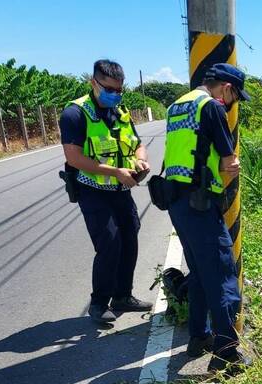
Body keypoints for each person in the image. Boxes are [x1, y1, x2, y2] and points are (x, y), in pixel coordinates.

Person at [162, 63, 249, 371]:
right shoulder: (211, 108)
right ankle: (226, 352)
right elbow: (228, 162)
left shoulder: (177, 105)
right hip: (200, 202)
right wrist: (231, 166)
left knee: (199, 271)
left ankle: (199, 335)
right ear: (225, 88)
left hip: (176, 202)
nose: (233, 103)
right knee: (222, 272)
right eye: (235, 96)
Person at [60, 59, 153, 324]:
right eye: (110, 89)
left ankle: (123, 295)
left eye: (119, 89)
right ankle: (99, 303)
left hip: (120, 188)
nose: (115, 94)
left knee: (130, 237)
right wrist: (115, 172)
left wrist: (140, 159)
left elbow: (138, 144)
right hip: (92, 190)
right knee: (109, 243)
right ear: (94, 83)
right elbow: (74, 158)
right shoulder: (75, 113)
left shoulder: (120, 111)